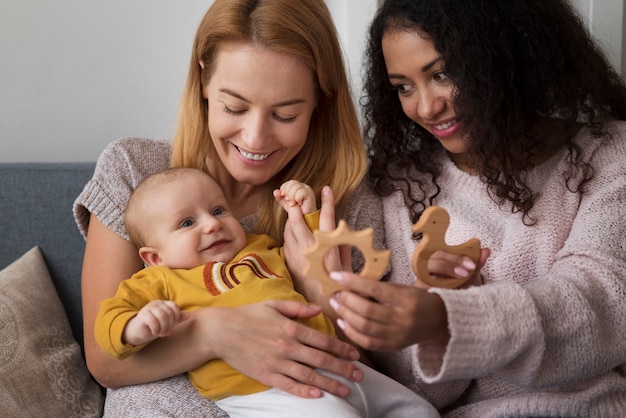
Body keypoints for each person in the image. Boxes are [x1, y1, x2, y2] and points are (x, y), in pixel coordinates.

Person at [284, 0, 626, 416]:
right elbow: (414, 394)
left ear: (507, 55)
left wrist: (450, 317)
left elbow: (598, 307)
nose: (425, 108)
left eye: (441, 74)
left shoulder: (610, 156)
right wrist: (429, 316)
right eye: (403, 87)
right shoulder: (393, 187)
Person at [73, 0, 406, 415]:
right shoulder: (134, 171)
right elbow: (105, 361)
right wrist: (213, 333)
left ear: (319, 102)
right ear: (203, 83)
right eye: (234, 107)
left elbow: (372, 379)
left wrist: (324, 295)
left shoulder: (341, 201)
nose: (255, 138)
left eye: (285, 114)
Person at [94, 167, 439, 418]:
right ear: (155, 257)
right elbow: (109, 322)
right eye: (187, 223)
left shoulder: (260, 248)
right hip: (264, 388)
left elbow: (311, 251)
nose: (212, 224)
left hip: (333, 363)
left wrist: (303, 212)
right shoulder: (160, 281)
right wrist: (137, 327)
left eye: (217, 211)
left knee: (417, 409)